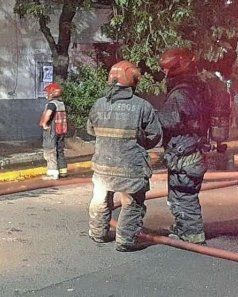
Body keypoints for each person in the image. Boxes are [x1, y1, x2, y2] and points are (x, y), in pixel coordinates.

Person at [87, 61, 162, 252]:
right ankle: (125, 240)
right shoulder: (142, 106)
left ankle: (98, 233)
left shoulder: (99, 104)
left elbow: (90, 129)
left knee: (101, 199)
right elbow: (155, 136)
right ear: (133, 80)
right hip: (131, 167)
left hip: (102, 165)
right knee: (131, 202)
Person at [158, 48, 210, 245]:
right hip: (195, 150)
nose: (164, 74)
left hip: (183, 154)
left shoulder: (179, 95)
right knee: (184, 193)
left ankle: (192, 234)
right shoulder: (199, 89)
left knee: (183, 194)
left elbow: (165, 122)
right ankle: (184, 227)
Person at [39, 83, 68, 180]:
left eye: (47, 92)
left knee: (50, 151)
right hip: (61, 131)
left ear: (51, 93)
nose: (46, 95)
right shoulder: (61, 104)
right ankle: (62, 171)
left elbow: (48, 114)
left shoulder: (52, 104)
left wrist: (44, 124)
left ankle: (52, 173)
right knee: (60, 150)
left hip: (52, 131)